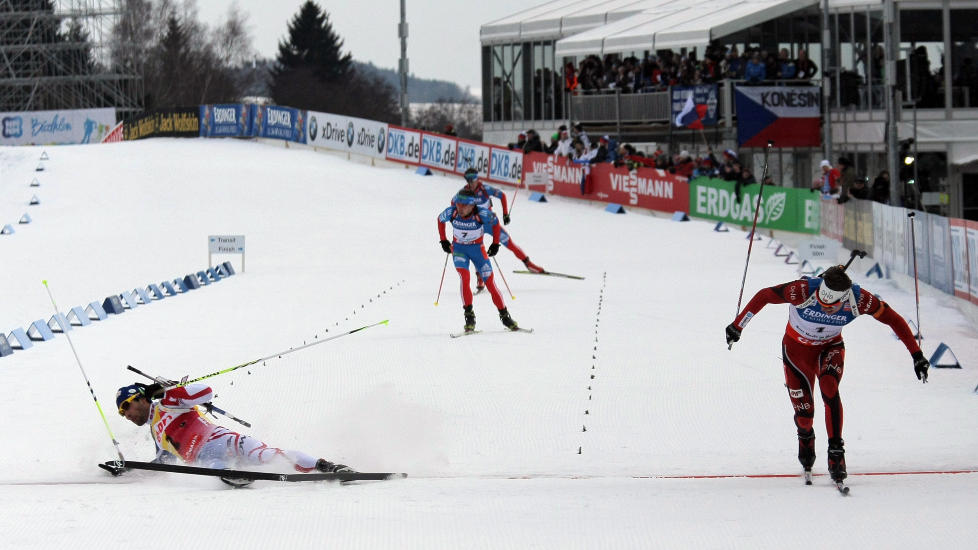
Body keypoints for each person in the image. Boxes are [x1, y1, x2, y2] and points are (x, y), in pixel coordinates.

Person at [724, 265, 929, 484]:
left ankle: (836, 453)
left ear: (844, 298)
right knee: (805, 417)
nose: (826, 309)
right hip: (796, 352)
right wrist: (738, 326)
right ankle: (805, 438)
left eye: (832, 306)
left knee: (829, 387)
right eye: (822, 303)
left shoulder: (858, 299)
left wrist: (917, 354)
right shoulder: (802, 290)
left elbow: (893, 319)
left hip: (829, 347)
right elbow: (765, 296)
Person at [116, 382, 354, 474]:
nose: (125, 414)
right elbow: (164, 463)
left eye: (126, 406)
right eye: (121, 412)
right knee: (215, 467)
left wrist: (168, 391)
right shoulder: (156, 433)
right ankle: (234, 475)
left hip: (224, 440)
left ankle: (328, 467)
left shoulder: (168, 403)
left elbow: (205, 392)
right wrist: (128, 470)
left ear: (141, 398)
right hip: (208, 458)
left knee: (269, 455)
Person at [437, 189, 518, 332]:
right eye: (458, 204)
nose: (460, 208)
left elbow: (496, 222)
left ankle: (505, 316)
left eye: (464, 205)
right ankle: (469, 316)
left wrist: (495, 243)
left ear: (472, 205)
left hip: (478, 251)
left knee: (490, 283)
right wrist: (443, 240)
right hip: (459, 250)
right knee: (465, 277)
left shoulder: (481, 213)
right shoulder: (452, 212)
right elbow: (440, 219)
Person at [460, 168, 546, 277]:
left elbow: (502, 195)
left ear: (477, 179)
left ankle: (529, 264)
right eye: (469, 181)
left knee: (510, 244)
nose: (472, 184)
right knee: (478, 253)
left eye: (473, 180)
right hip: (476, 227)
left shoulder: (485, 189)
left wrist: (505, 213)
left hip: (491, 225)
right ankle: (480, 279)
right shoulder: (465, 192)